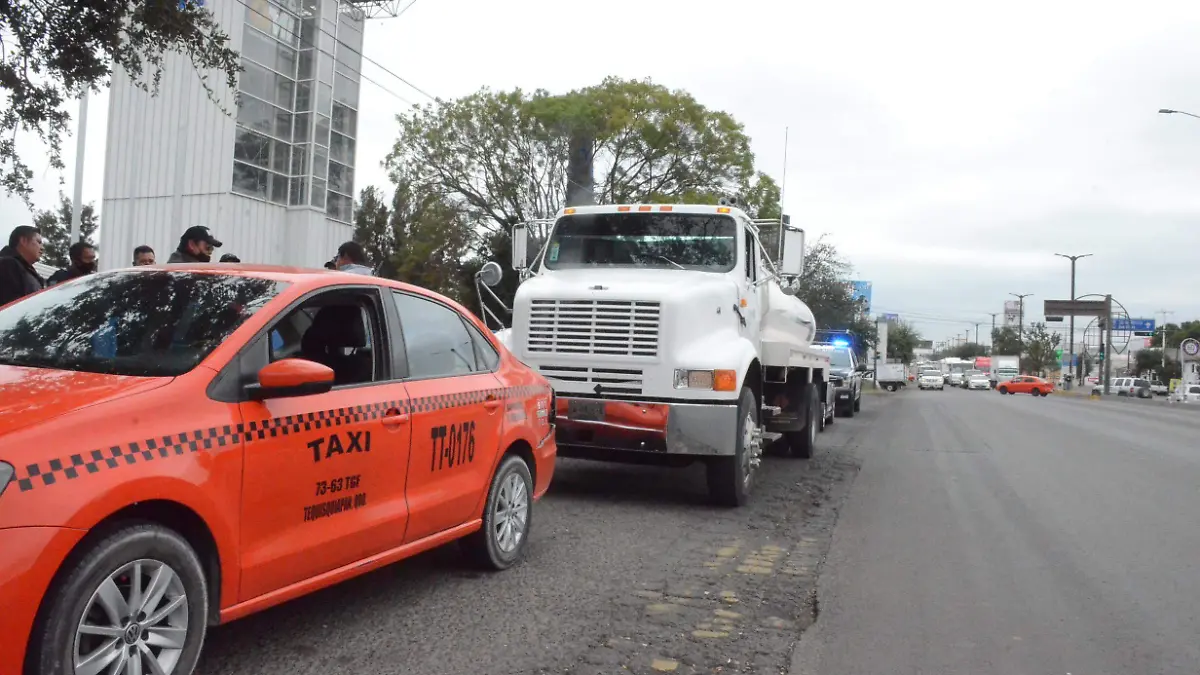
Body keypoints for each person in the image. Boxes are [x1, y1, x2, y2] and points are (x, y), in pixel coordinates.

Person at [0, 225, 46, 306]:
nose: (42, 248)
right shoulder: (7, 265)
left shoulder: (25, 269)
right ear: (23, 241)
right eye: (38, 242)